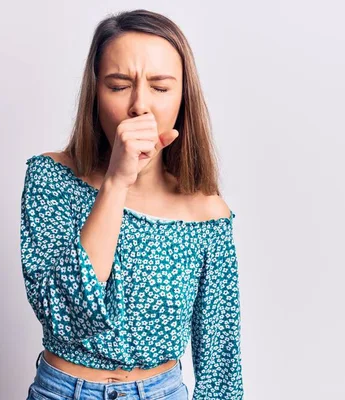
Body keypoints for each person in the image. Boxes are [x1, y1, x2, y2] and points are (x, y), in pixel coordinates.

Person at [20, 9, 244, 400]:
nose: (140, 106)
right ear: (96, 94)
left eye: (160, 87)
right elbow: (65, 317)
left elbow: (220, 362)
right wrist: (116, 182)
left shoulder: (208, 213)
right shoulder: (51, 179)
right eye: (119, 85)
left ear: (182, 98)